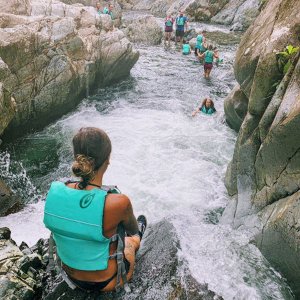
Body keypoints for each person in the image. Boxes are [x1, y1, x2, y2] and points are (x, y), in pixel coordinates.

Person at [44, 127, 147, 293]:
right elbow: (131, 229)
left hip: (70, 276)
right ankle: (139, 237)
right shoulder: (118, 202)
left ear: (77, 158)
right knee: (131, 240)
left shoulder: (55, 191)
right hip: (108, 280)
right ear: (107, 161)